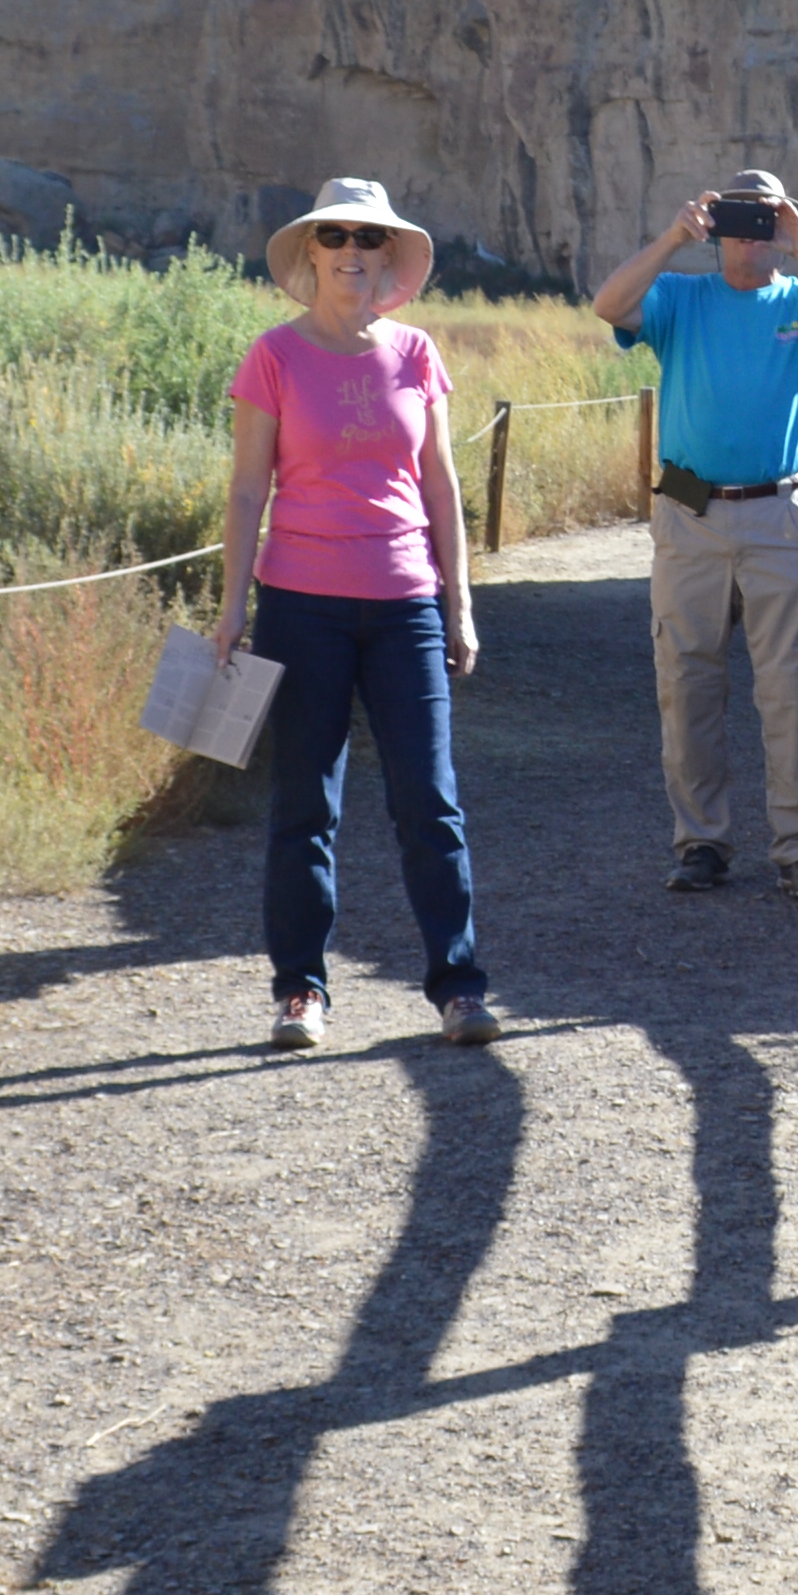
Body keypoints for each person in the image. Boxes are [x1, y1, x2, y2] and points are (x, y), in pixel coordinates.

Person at [215, 175, 496, 1050]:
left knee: (431, 801)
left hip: (406, 601)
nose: (351, 253)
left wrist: (461, 604)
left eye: (367, 241)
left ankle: (459, 988)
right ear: (310, 254)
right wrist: (231, 609)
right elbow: (247, 488)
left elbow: (442, 486)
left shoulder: (416, 354)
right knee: (305, 804)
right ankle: (300, 992)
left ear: (388, 260)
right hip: (301, 605)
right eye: (334, 237)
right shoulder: (274, 355)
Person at [585, 166, 798, 897]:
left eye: (766, 219)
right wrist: (671, 239)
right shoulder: (681, 297)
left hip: (779, 514)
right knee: (686, 685)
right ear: (715, 229)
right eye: (738, 219)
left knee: (792, 687)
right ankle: (701, 844)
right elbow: (608, 304)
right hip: (689, 516)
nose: (753, 235)